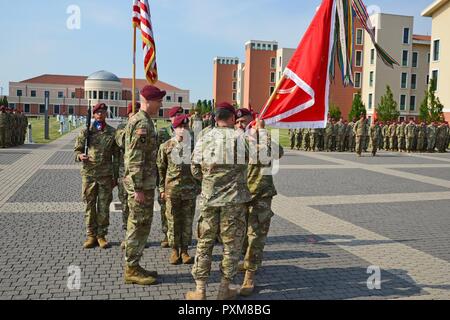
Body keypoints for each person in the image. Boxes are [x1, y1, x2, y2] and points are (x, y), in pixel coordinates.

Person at [186, 103, 252, 300]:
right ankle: (224, 289)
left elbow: (195, 169)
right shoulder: (240, 137)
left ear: (215, 118)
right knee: (231, 245)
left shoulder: (204, 138)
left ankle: (200, 290)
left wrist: (209, 182)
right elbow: (261, 158)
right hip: (234, 201)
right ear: (232, 118)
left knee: (204, 243)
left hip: (209, 200)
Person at [123, 85, 166, 285]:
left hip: (145, 183)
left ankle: (135, 264)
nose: (160, 104)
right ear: (148, 101)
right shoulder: (142, 123)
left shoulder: (145, 121)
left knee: (142, 225)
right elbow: (135, 158)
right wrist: (138, 188)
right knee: (137, 226)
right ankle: (131, 268)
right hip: (141, 186)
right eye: (158, 100)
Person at [74, 103, 119, 249]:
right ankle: (91, 235)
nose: (100, 114)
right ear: (93, 114)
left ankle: (101, 235)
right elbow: (76, 151)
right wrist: (80, 156)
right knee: (89, 205)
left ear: (106, 114)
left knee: (104, 206)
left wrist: (115, 176)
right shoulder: (86, 132)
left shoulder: (112, 132)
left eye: (103, 112)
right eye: (97, 112)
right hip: (89, 175)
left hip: (105, 175)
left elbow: (116, 156)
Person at [157, 114, 200, 265]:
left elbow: (200, 168)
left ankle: (185, 251)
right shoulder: (166, 146)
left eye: (185, 127)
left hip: (189, 191)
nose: (182, 130)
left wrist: (199, 186)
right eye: (179, 127)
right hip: (172, 191)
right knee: (173, 221)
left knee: (187, 222)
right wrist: (161, 189)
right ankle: (175, 250)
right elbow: (161, 169)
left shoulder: (194, 147)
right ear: (174, 129)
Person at [158, 106, 184, 248]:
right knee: (166, 210)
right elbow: (159, 160)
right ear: (171, 118)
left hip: (183, 183)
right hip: (168, 180)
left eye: (181, 115)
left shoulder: (188, 135)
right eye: (176, 116)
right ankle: (167, 234)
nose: (179, 117)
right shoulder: (163, 133)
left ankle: (179, 240)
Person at [116, 102, 140, 250]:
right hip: (125, 174)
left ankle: (137, 236)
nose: (136, 115)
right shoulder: (121, 128)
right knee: (126, 205)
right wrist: (130, 126)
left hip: (140, 174)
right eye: (133, 112)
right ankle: (127, 236)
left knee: (139, 208)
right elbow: (120, 142)